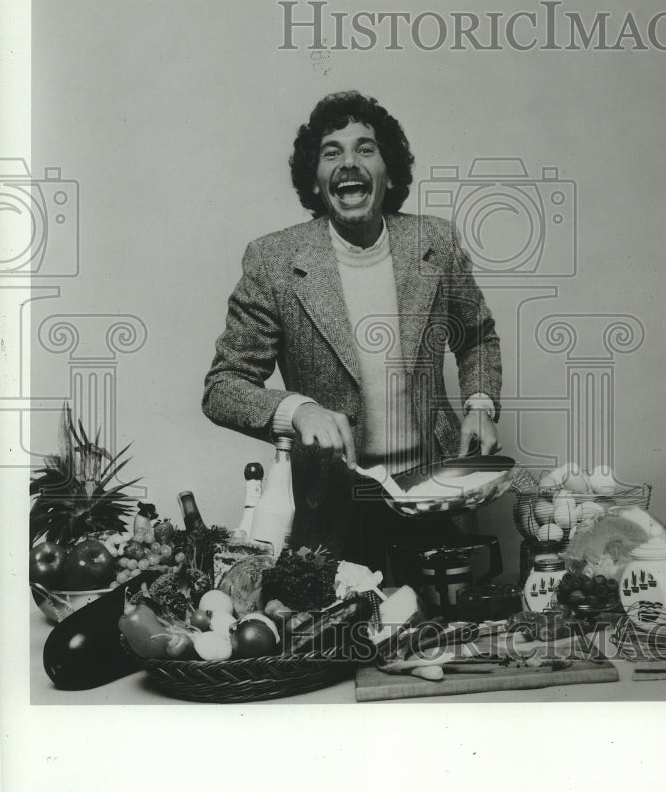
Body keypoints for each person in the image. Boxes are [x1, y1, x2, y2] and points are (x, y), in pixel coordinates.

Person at [203, 91, 502, 570]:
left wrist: (481, 404)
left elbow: (478, 337)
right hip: (331, 509)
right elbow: (222, 387)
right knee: (342, 635)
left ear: (388, 170)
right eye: (331, 152)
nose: (349, 162)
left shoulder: (436, 242)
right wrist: (297, 410)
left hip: (434, 495)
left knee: (439, 634)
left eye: (365, 148)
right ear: (316, 178)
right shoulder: (273, 261)